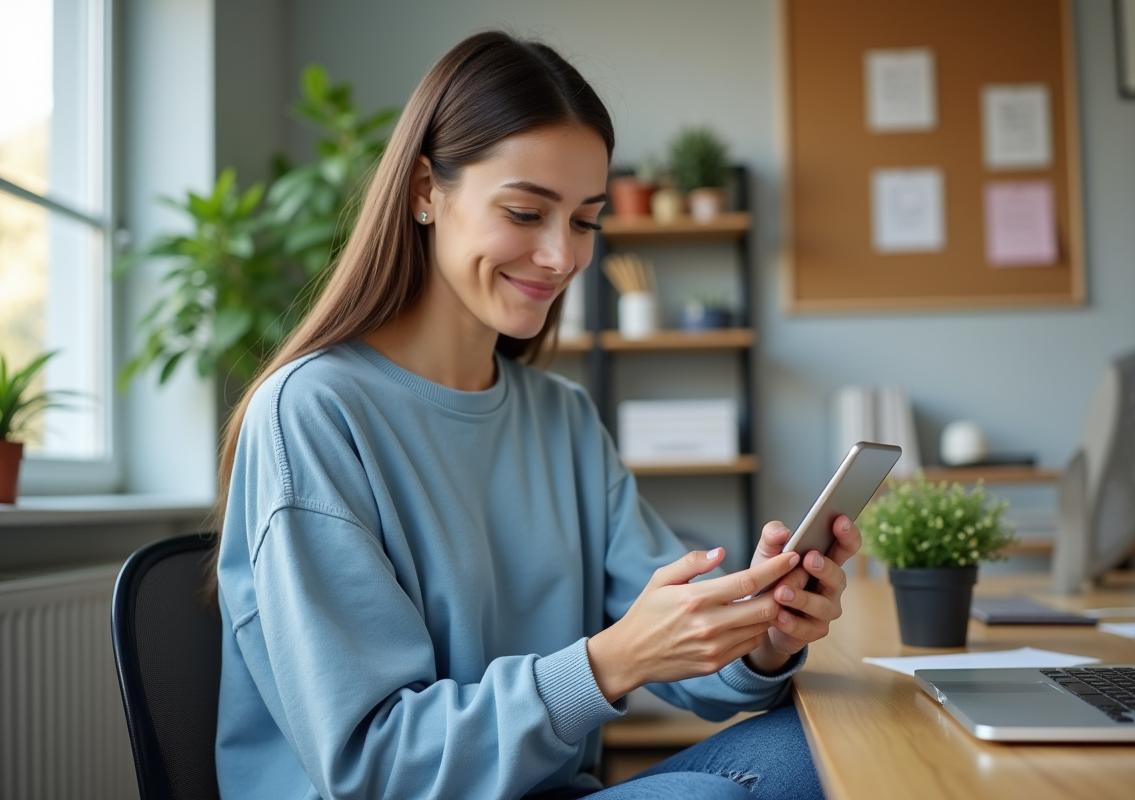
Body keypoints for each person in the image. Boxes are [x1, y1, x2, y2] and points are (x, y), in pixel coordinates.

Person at [214, 31, 860, 800]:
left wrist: (761, 641)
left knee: (843, 745)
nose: (562, 257)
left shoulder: (562, 417)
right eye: (526, 212)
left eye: (585, 221)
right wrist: (610, 662)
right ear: (426, 190)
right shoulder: (312, 414)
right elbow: (374, 766)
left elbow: (680, 651)